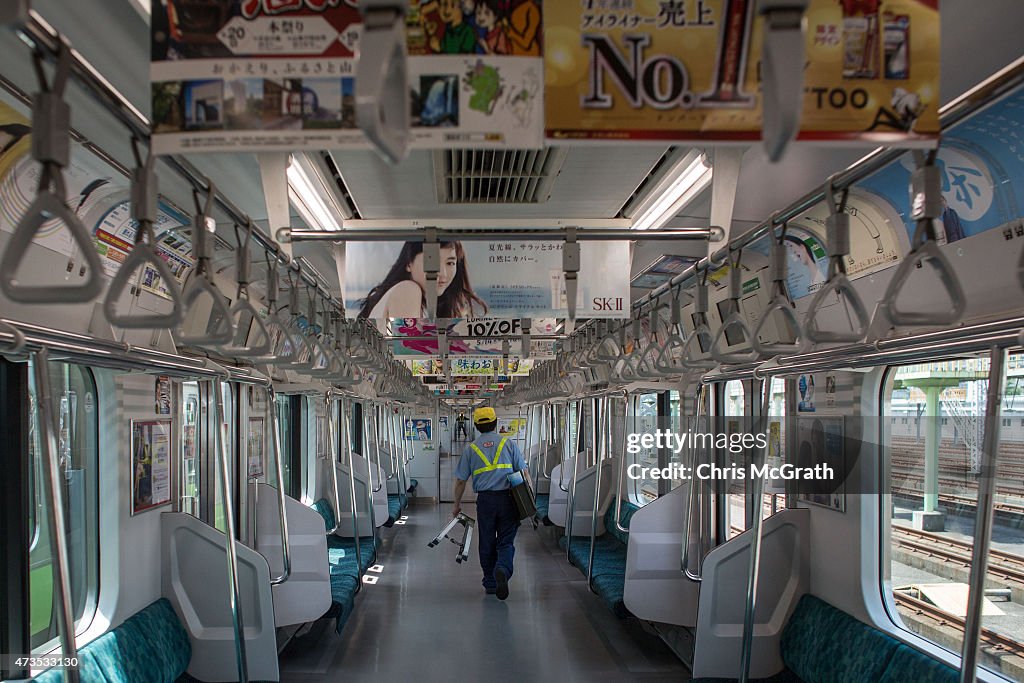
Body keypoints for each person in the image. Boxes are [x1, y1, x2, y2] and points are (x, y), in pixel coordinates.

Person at [452, 407, 530, 599]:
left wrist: (456, 505)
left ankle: (490, 582)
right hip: (508, 499)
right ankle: (502, 568)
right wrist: (529, 501)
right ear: (496, 423)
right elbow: (525, 474)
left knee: (486, 540)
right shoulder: (509, 443)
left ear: (477, 426)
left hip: (485, 501)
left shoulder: (471, 450)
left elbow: (461, 481)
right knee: (505, 540)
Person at [357, 240, 487, 319]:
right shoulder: (407, 290)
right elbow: (409, 356)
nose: (443, 273)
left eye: (450, 263)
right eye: (431, 262)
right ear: (409, 263)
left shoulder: (425, 306)